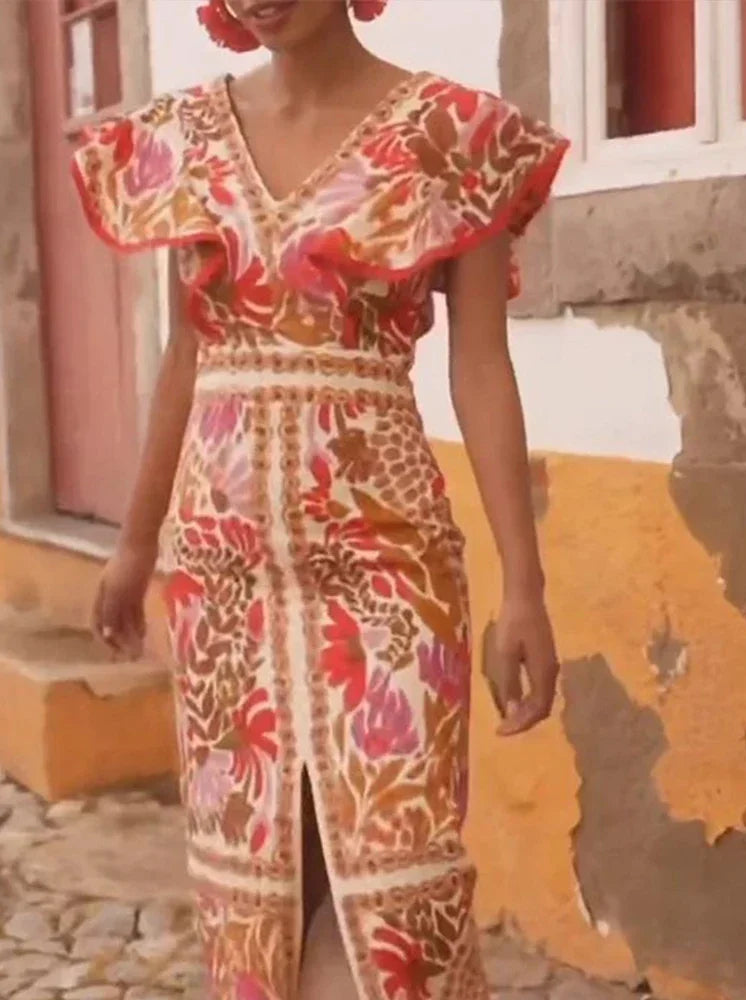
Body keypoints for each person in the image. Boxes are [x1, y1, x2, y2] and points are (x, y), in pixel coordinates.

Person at [72, 1, 569, 998]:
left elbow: (481, 368)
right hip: (220, 570)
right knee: (252, 881)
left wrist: (525, 584)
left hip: (386, 563)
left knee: (394, 880)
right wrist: (133, 542)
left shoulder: (452, 135)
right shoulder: (187, 136)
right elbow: (188, 350)